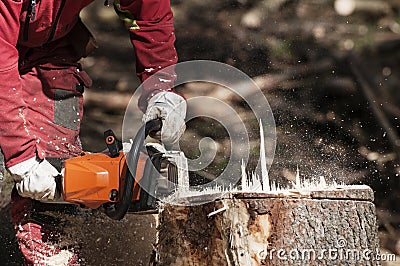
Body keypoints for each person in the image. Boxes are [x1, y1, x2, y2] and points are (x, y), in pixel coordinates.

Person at [0, 0, 186, 264]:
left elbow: (148, 11)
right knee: (23, 161)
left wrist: (160, 85)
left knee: (58, 169)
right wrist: (21, 157)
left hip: (49, 51)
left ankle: (55, 254)